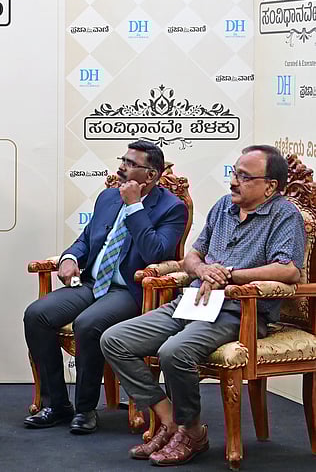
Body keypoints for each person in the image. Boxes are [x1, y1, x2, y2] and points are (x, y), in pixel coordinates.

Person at [101, 145, 306, 466]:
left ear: (271, 186)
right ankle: (172, 421)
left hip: (238, 311)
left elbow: (289, 269)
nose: (234, 182)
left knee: (174, 352)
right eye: (234, 173)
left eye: (244, 177)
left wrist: (230, 276)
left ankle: (192, 431)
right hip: (193, 300)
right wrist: (202, 270)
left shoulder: (285, 215)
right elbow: (192, 256)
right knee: (115, 340)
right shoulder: (224, 206)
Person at [23, 140, 187, 434]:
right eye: (123, 159)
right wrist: (70, 258)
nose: (122, 167)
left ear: (150, 176)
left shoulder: (171, 208)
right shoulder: (107, 198)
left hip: (130, 291)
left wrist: (135, 206)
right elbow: (87, 239)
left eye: (131, 163)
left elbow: (156, 253)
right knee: (37, 314)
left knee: (88, 324)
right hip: (92, 283)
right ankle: (57, 404)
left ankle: (85, 409)